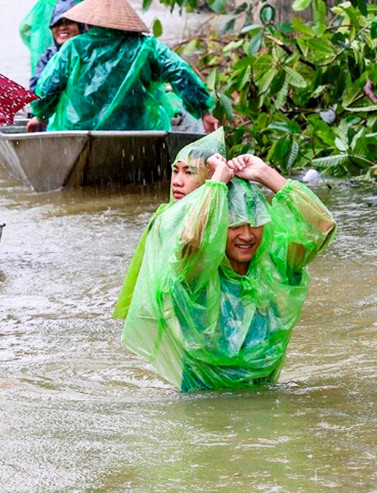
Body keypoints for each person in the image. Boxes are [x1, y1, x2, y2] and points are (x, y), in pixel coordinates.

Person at [121, 152, 335, 392]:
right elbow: (191, 240)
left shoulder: (276, 268)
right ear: (218, 227)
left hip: (265, 403)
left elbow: (321, 227)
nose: (246, 235)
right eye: (234, 226)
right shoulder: (197, 277)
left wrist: (265, 173)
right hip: (202, 410)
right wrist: (216, 183)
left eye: (255, 223)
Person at [32, 0, 219, 132]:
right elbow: (180, 72)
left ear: (87, 22)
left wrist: (40, 115)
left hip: (79, 129)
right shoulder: (146, 46)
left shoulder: (75, 47)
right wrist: (204, 112)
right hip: (137, 129)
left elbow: (49, 86)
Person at [113, 128, 225, 319]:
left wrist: (217, 185)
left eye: (189, 172)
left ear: (210, 176)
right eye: (175, 171)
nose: (177, 182)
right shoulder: (164, 217)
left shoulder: (224, 220)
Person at [29, 0, 84, 93]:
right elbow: (36, 94)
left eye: (68, 22)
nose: (62, 28)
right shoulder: (47, 56)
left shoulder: (90, 53)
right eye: (57, 23)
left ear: (81, 26)